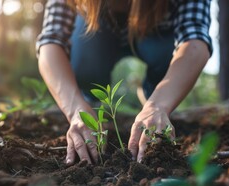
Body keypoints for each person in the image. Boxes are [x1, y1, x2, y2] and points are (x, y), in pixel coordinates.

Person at [36, 0, 212, 165]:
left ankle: (154, 96)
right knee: (84, 56)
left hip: (157, 33)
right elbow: (51, 41)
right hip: (94, 32)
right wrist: (76, 111)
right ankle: (91, 102)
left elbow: (194, 38)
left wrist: (158, 105)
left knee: (163, 53)